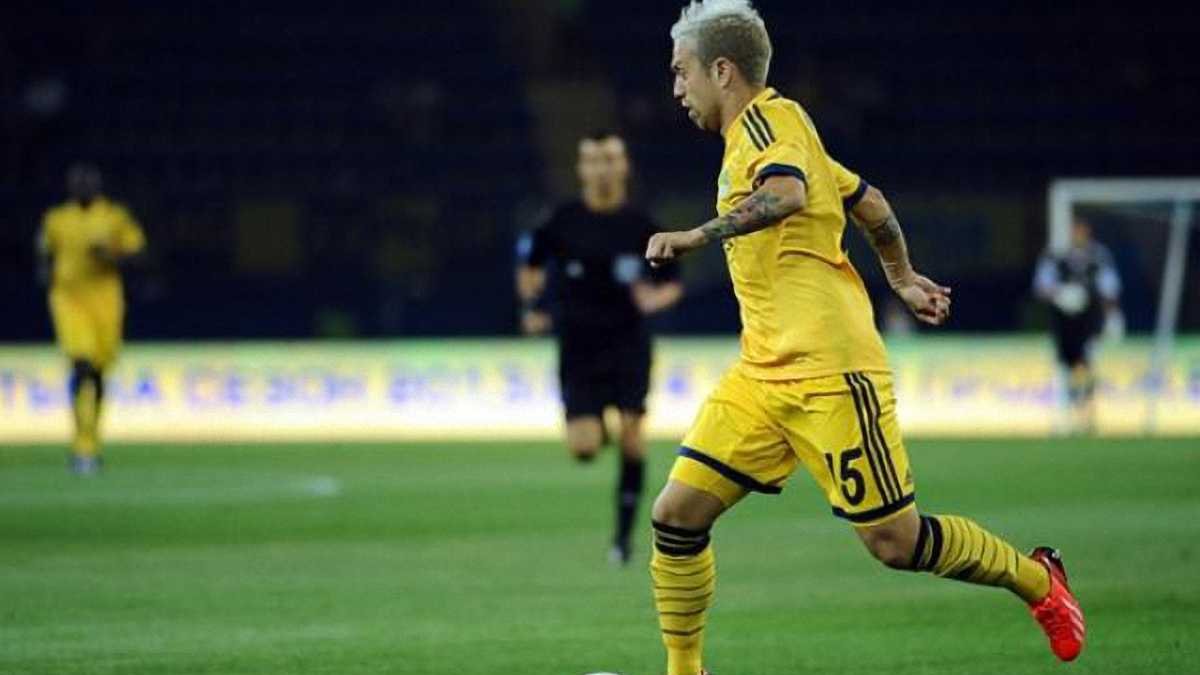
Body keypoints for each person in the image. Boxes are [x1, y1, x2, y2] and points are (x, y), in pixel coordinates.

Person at [641, 2, 1085, 673]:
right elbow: (867, 202)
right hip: (762, 375)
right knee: (676, 515)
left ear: (722, 70)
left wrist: (695, 236)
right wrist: (901, 277)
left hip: (831, 371)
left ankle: (1039, 581)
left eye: (683, 71)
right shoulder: (771, 137)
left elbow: (786, 195)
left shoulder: (770, 123)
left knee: (895, 542)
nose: (676, 88)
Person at [516, 131, 684, 564]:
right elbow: (530, 266)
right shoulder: (562, 221)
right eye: (593, 160)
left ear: (624, 166)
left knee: (633, 437)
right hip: (578, 347)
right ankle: (600, 426)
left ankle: (622, 541)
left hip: (628, 342)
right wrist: (532, 307)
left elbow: (671, 283)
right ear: (581, 168)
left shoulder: (642, 226)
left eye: (609, 159)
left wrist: (654, 300)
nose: (602, 168)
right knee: (584, 448)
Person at [37, 163, 146, 474]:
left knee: (97, 373)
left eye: (88, 183)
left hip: (106, 302)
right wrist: (45, 273)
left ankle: (91, 439)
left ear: (98, 186)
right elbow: (44, 252)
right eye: (78, 183)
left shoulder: (114, 217)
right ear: (70, 187)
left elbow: (139, 253)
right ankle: (81, 444)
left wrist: (111, 255)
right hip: (69, 301)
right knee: (81, 365)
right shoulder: (56, 219)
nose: (83, 187)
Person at [1034, 216, 1123, 434]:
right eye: (1074, 231)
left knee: (1088, 362)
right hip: (1062, 321)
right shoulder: (1054, 255)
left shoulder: (1099, 256)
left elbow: (1110, 287)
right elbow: (1040, 286)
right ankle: (1063, 415)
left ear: (1088, 232)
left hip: (1090, 320)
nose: (1078, 235)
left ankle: (1088, 415)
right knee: (1063, 366)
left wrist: (1113, 315)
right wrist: (1060, 294)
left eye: (1081, 230)